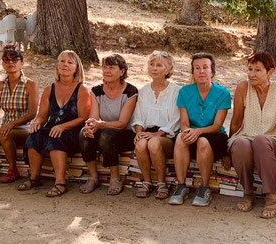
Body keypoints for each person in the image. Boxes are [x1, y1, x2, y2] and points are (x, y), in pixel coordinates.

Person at [226, 51, 276, 218]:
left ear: (270, 72)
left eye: (257, 70)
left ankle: (271, 197)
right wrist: (227, 151)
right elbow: (235, 122)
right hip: (245, 140)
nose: (251, 74)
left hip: (271, 144)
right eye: (249, 69)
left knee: (260, 140)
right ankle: (248, 193)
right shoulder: (243, 87)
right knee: (241, 143)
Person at [19, 50, 90, 197]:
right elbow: (42, 116)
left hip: (72, 130)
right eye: (62, 61)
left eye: (70, 62)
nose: (65, 65)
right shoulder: (49, 89)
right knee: (34, 135)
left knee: (56, 137)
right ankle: (34, 178)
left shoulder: (82, 89)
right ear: (57, 65)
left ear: (76, 68)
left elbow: (83, 117)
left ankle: (60, 183)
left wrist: (63, 126)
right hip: (53, 128)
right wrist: (36, 123)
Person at [169, 52, 230, 207]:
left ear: (212, 72)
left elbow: (217, 125)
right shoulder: (184, 92)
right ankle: (181, 186)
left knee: (202, 141)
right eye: (197, 68)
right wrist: (187, 131)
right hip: (192, 133)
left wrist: (198, 132)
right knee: (180, 138)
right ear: (193, 72)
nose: (201, 71)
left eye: (205, 67)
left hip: (214, 136)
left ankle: (204, 187)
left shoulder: (223, 93)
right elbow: (183, 122)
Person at [0, 44, 39, 183]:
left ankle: (13, 170)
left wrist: (12, 124)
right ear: (2, 64)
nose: (11, 63)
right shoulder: (0, 85)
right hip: (6, 127)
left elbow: (32, 113)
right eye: (6, 60)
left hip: (25, 129)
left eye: (15, 59)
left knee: (5, 132)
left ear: (22, 63)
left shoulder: (30, 85)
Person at [79, 54, 138, 195]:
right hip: (104, 129)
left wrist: (99, 125)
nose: (107, 71)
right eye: (104, 67)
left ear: (122, 71)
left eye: (111, 68)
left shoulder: (131, 91)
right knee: (83, 133)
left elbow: (122, 123)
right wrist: (90, 127)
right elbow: (93, 118)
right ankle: (93, 177)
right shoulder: (96, 91)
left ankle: (115, 178)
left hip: (126, 134)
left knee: (106, 134)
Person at [131, 51, 180, 199]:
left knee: (153, 143)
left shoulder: (176, 91)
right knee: (140, 144)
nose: (154, 68)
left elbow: (176, 119)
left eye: (159, 65)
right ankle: (147, 182)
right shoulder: (144, 91)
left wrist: (158, 134)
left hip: (168, 134)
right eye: (151, 64)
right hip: (148, 132)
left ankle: (161, 183)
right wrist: (139, 132)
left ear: (168, 69)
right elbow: (138, 115)